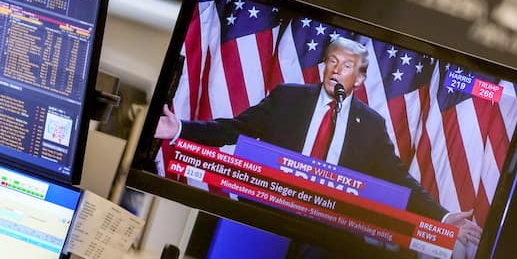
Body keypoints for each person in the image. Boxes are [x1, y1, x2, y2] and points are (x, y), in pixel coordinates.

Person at [155, 37, 482, 245]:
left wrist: (442, 217)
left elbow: (398, 179)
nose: (336, 71)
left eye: (347, 66)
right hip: (260, 225)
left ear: (361, 78)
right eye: (332, 62)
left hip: (326, 237)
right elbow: (233, 129)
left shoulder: (370, 124)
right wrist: (179, 129)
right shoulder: (288, 98)